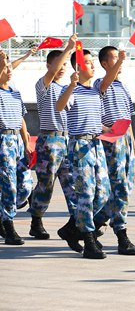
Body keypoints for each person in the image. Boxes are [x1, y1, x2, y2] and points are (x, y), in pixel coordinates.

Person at [53, 48, 110, 259]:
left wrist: (111, 130)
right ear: (77, 68)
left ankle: (72, 228)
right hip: (79, 146)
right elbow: (59, 107)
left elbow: (99, 122)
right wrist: (71, 85)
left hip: (96, 145)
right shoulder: (72, 90)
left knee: (103, 192)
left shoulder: (95, 91)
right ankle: (88, 240)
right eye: (88, 62)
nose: (93, 65)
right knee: (86, 193)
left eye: (93, 61)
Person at [27, 36, 78, 242]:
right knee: (46, 185)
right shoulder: (43, 85)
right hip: (50, 141)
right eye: (60, 63)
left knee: (72, 184)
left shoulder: (68, 89)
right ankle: (36, 220)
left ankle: (77, 223)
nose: (63, 67)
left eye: (66, 64)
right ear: (49, 65)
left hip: (67, 141)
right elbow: (51, 73)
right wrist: (68, 48)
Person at [92, 45, 135, 255]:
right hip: (111, 141)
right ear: (104, 64)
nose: (118, 61)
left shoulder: (123, 87)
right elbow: (105, 83)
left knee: (125, 188)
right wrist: (120, 61)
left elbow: (128, 121)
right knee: (119, 188)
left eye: (118, 58)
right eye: (113, 58)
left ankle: (91, 225)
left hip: (125, 143)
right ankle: (121, 234)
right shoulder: (101, 84)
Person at [0, 52, 34, 246]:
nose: (10, 70)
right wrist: (2, 61)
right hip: (3, 139)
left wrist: (26, 140)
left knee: (25, 185)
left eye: (11, 68)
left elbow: (21, 117)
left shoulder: (14, 91)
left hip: (17, 142)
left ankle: (3, 213)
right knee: (9, 185)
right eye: (6, 68)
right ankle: (8, 224)